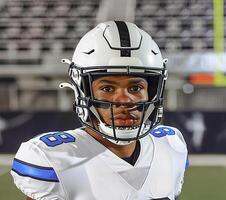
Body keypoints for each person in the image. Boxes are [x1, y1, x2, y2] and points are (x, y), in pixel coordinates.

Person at [11, 21, 188, 200]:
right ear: (83, 91)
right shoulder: (52, 158)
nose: (125, 101)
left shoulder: (171, 145)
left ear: (151, 92)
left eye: (135, 88)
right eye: (108, 88)